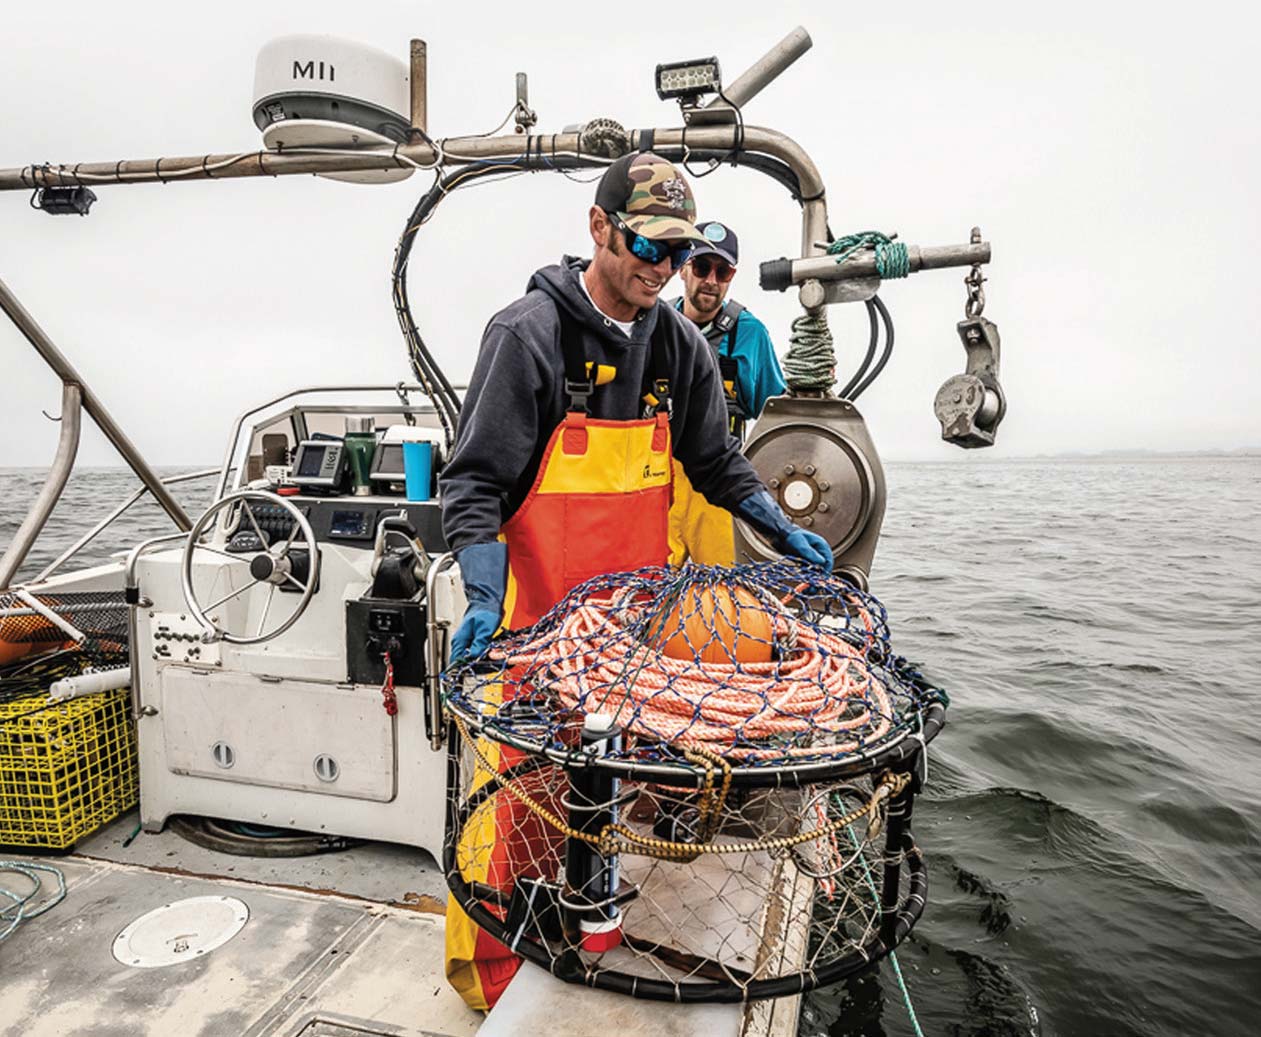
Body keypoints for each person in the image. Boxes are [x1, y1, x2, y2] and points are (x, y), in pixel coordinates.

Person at [437, 152, 832, 1011]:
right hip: (533, 630)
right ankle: (493, 976)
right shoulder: (527, 335)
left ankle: (583, 948)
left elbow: (716, 461)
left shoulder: (678, 345)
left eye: (675, 251)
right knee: (518, 809)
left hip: (629, 642)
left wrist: (774, 523)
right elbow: (472, 485)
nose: (659, 266)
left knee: (606, 804)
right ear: (598, 227)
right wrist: (478, 594)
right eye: (645, 244)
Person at [670, 220, 787, 564]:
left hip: (718, 488)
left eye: (723, 271)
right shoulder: (657, 324)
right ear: (683, 268)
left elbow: (775, 416)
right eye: (702, 267)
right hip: (660, 484)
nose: (711, 280)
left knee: (723, 594)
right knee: (646, 590)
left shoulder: (751, 334)